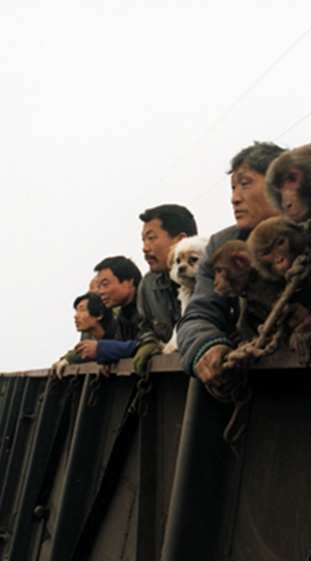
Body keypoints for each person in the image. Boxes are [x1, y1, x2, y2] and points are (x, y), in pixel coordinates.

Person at [177, 141, 285, 387]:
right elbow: (198, 314)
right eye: (233, 188)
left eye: (245, 184)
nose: (234, 199)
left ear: (280, 185)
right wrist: (205, 345)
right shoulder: (221, 247)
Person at [132, 204, 198, 375]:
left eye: (151, 238)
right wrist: (149, 342)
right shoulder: (149, 284)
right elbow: (145, 326)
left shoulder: (210, 276)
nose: (145, 248)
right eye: (143, 240)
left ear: (181, 240)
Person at [74, 256, 142, 365]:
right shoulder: (123, 315)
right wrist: (106, 358)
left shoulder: (149, 306)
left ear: (129, 282)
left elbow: (150, 344)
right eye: (99, 286)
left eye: (105, 285)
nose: (101, 292)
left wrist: (102, 349)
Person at [52, 292, 115, 378]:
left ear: (99, 314)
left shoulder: (119, 332)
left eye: (81, 310)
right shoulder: (90, 335)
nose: (75, 316)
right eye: (76, 311)